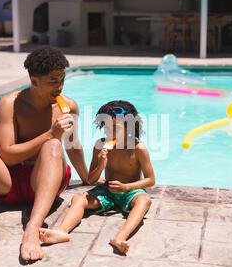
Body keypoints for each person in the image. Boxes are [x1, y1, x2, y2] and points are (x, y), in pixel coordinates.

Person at [0, 46, 88, 262]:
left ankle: (33, 228)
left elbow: (73, 146)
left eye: (62, 80)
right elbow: (7, 156)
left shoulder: (69, 106)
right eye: (53, 81)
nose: (60, 87)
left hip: (46, 183)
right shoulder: (10, 104)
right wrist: (49, 134)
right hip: (10, 183)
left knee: (54, 146)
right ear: (34, 81)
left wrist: (87, 177)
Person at [39, 100, 155, 255]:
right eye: (106, 127)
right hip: (107, 190)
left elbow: (151, 180)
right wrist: (101, 164)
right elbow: (91, 180)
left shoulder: (138, 148)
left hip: (130, 191)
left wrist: (126, 187)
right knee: (78, 198)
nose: (110, 132)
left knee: (145, 200)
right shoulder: (100, 145)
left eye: (115, 128)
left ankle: (120, 237)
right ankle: (62, 231)